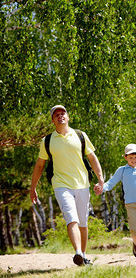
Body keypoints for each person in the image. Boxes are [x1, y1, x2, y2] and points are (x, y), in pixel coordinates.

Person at [30, 105, 104, 266]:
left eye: (63, 113)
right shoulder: (47, 141)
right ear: (53, 120)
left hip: (82, 184)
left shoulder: (80, 135)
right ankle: (77, 252)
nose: (60, 116)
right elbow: (39, 165)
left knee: (83, 223)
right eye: (56, 115)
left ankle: (83, 255)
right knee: (71, 218)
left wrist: (100, 179)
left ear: (68, 117)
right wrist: (33, 187)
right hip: (61, 185)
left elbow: (92, 158)